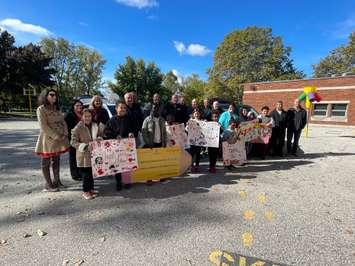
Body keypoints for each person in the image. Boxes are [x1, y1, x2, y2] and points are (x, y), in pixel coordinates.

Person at [35, 89, 70, 192]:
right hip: (48, 139)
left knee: (56, 160)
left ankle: (57, 181)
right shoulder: (41, 109)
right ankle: (48, 185)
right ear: (45, 96)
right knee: (46, 162)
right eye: (51, 95)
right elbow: (43, 126)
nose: (54, 97)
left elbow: (63, 121)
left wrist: (65, 133)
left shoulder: (56, 109)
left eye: (55, 95)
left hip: (59, 139)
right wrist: (55, 136)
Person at [71, 109, 104, 200]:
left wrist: (99, 138)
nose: (88, 118)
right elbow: (73, 142)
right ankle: (85, 191)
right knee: (86, 175)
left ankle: (91, 189)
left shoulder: (94, 125)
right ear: (82, 117)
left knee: (91, 173)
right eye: (85, 116)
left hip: (94, 154)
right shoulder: (77, 128)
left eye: (89, 116)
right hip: (84, 155)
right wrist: (84, 146)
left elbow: (99, 135)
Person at [104, 100, 135, 191]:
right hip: (116, 145)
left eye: (124, 108)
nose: (123, 109)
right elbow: (106, 132)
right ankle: (118, 182)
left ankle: (127, 182)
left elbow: (133, 128)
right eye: (121, 107)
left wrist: (131, 133)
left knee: (127, 164)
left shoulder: (129, 118)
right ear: (116, 108)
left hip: (127, 145)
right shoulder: (112, 120)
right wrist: (115, 136)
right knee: (117, 165)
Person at [64, 100, 83, 181]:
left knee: (80, 156)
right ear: (73, 106)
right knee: (73, 157)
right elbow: (65, 127)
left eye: (80, 105)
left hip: (82, 138)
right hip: (72, 138)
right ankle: (75, 174)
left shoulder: (82, 114)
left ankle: (81, 172)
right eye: (77, 105)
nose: (79, 107)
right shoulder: (69, 115)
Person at [186, 109, 203, 173]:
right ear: (193, 114)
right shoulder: (190, 121)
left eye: (198, 113)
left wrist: (205, 123)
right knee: (191, 154)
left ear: (199, 114)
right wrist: (188, 125)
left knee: (198, 154)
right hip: (192, 140)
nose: (197, 115)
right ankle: (191, 166)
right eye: (195, 113)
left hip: (199, 140)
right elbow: (187, 129)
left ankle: (197, 166)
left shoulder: (202, 121)